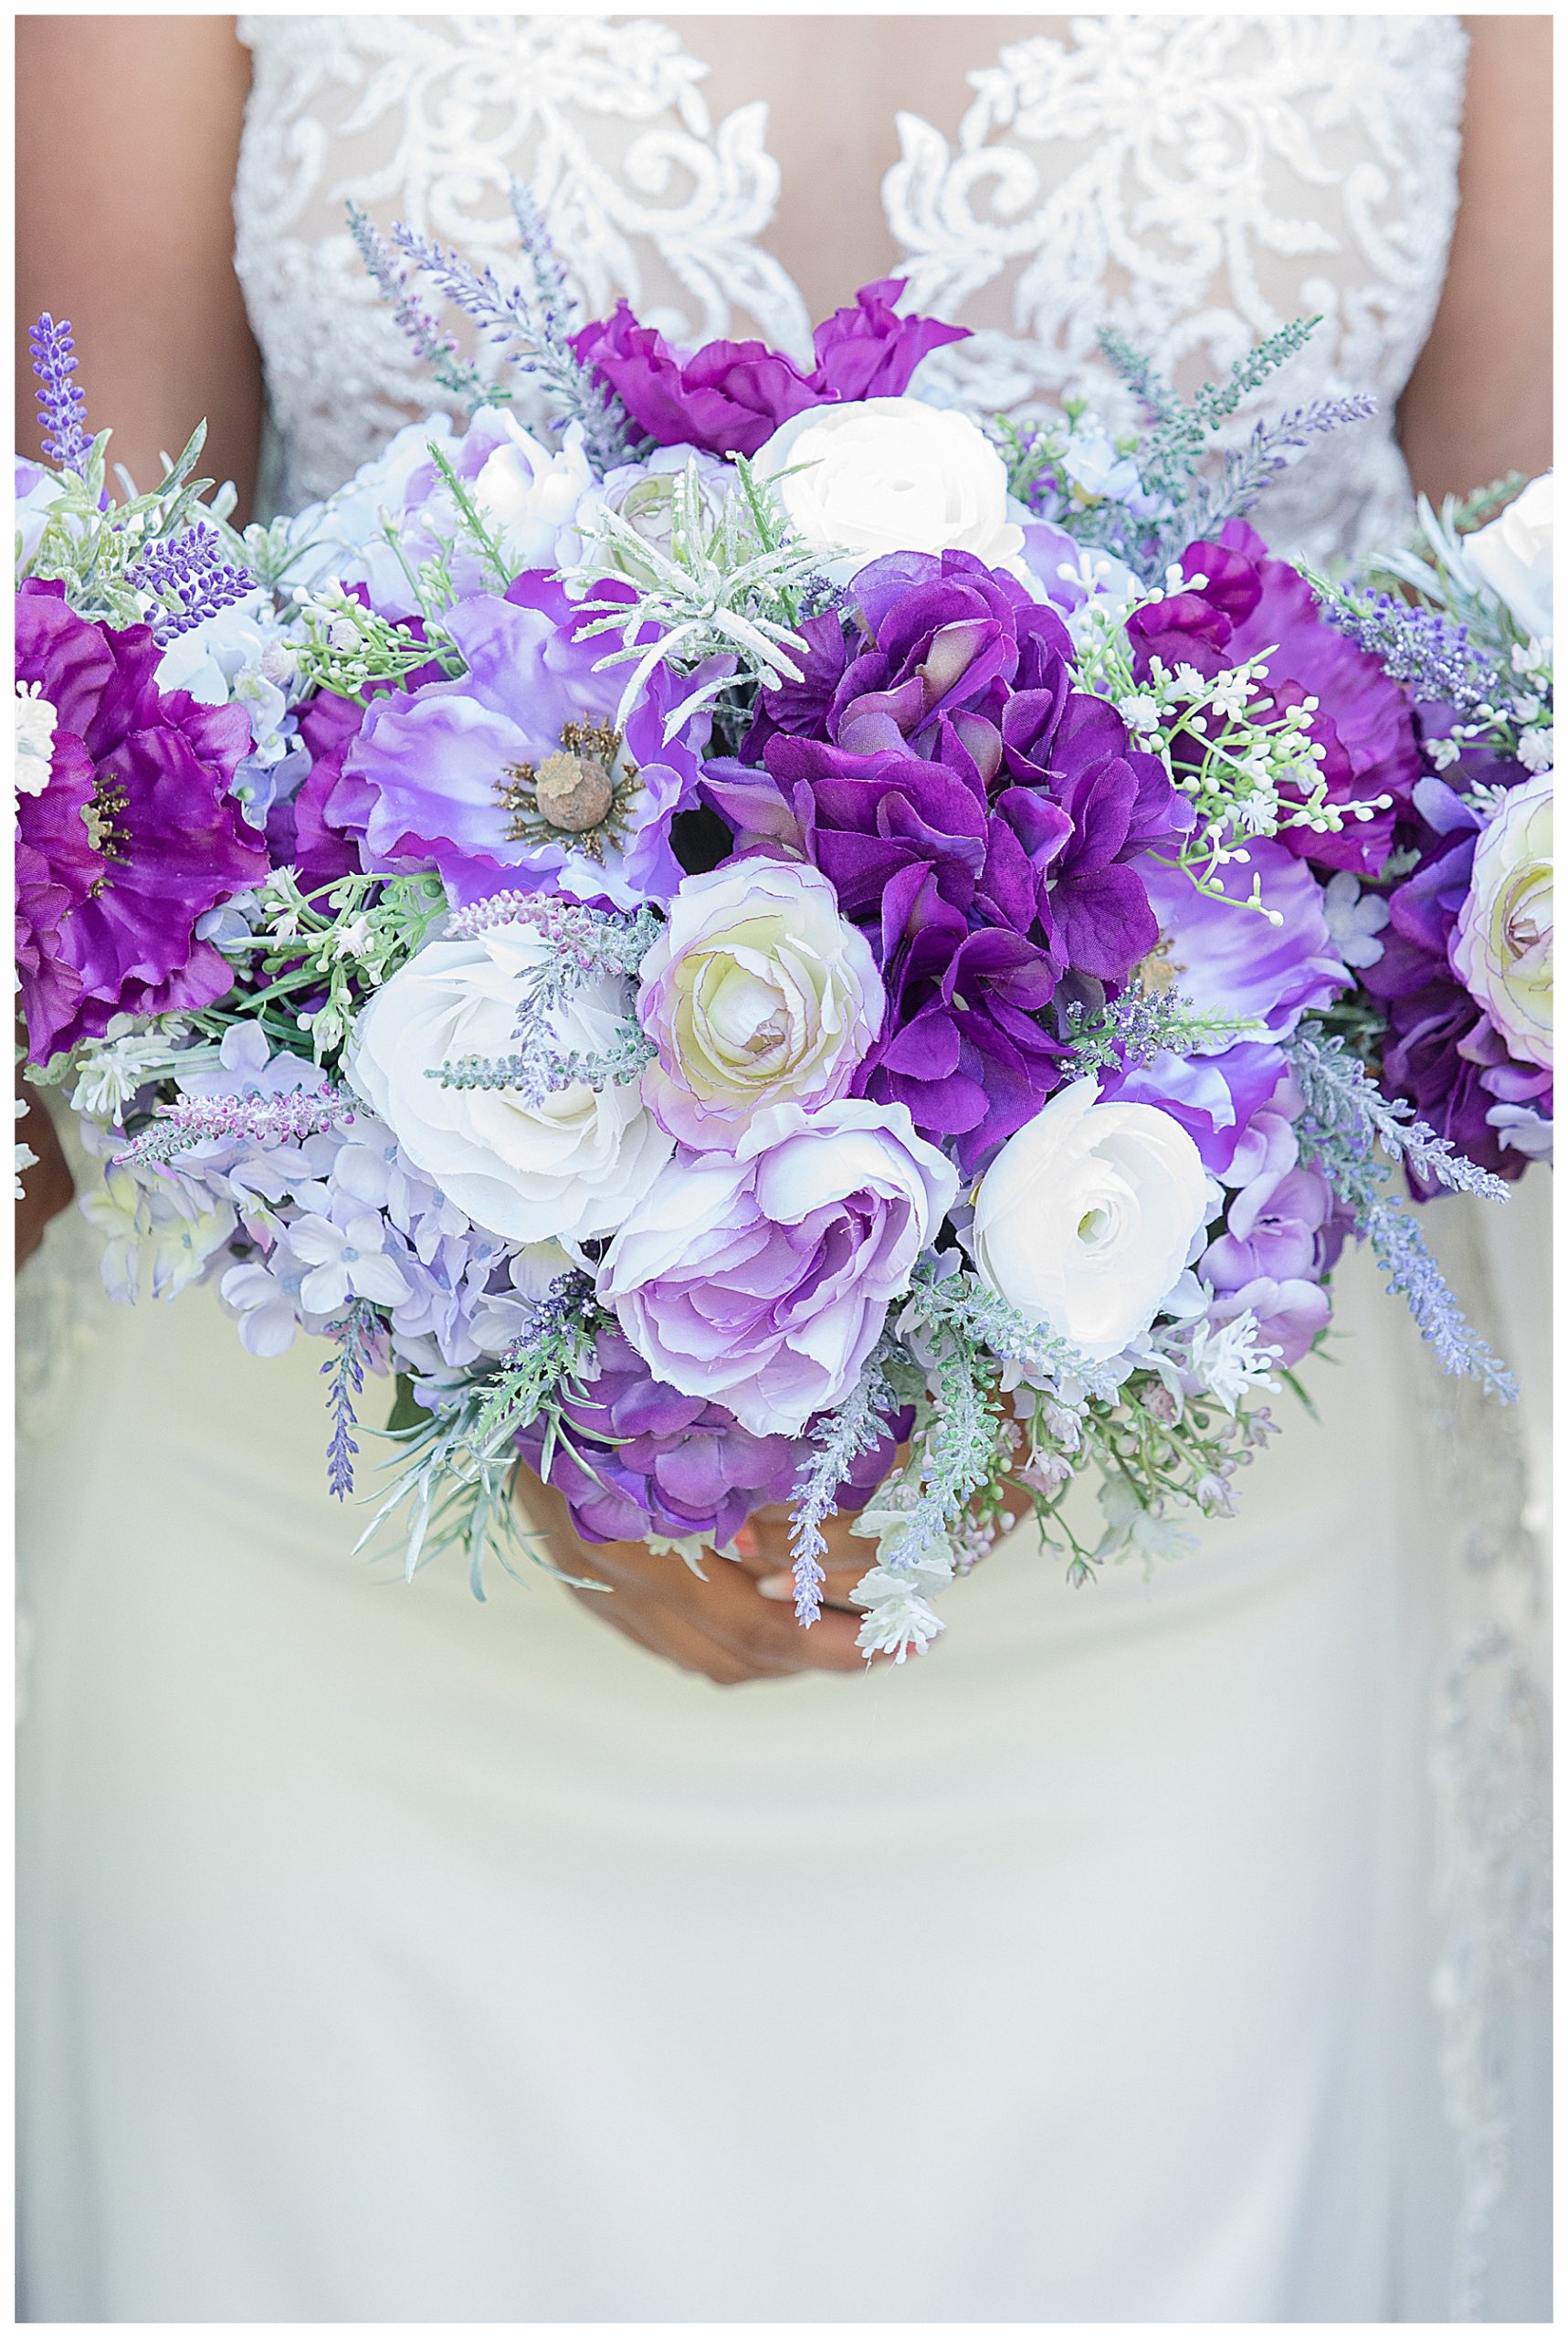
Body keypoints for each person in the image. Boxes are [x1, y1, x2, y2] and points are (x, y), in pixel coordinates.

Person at [16, 14, 1551, 2320]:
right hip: (336, 1556)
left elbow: (1513, 673)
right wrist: (527, 1334)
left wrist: (1084, 1284)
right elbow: (73, 701)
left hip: (1192, 1582)